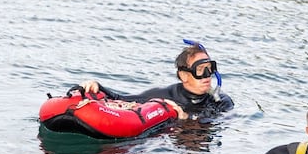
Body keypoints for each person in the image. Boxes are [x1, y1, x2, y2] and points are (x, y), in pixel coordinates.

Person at [80, 41, 234, 122]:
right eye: (200, 70)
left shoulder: (221, 102)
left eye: (210, 69)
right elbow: (122, 99)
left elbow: (218, 121)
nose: (208, 76)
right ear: (184, 75)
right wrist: (98, 86)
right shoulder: (165, 94)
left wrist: (185, 118)